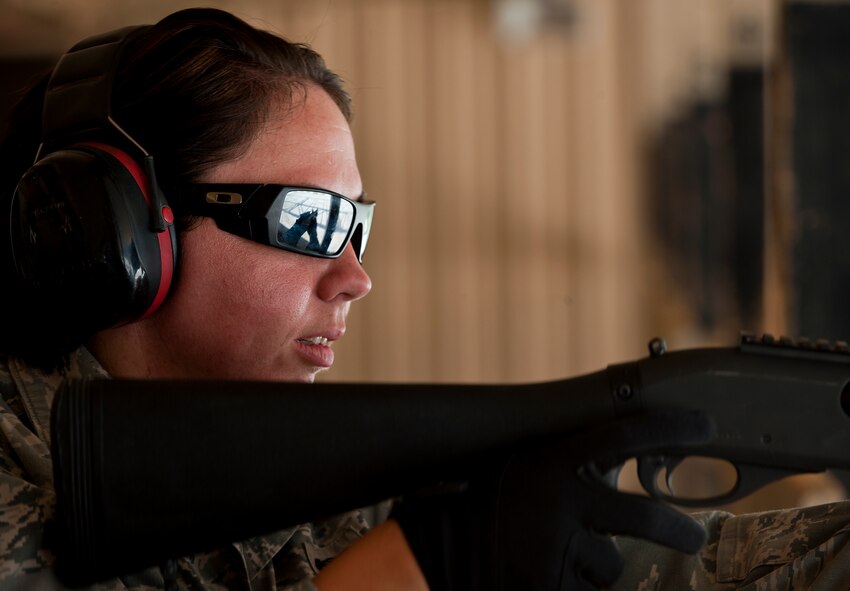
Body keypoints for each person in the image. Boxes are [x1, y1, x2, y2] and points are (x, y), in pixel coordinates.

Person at [0, 7, 710, 590]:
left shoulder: (288, 476)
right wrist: (413, 570)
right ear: (123, 229)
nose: (355, 276)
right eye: (311, 222)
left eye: (355, 227)